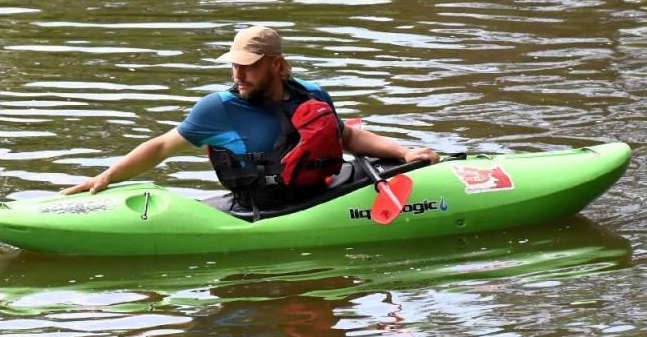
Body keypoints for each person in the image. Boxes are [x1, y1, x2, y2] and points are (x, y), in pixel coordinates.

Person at [63, 25, 438, 209]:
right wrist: (107, 176)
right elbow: (163, 146)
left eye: (248, 67)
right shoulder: (219, 108)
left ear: (276, 65)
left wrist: (403, 153)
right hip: (264, 209)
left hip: (325, 194)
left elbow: (347, 138)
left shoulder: (311, 94)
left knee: (412, 168)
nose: (237, 75)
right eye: (233, 67)